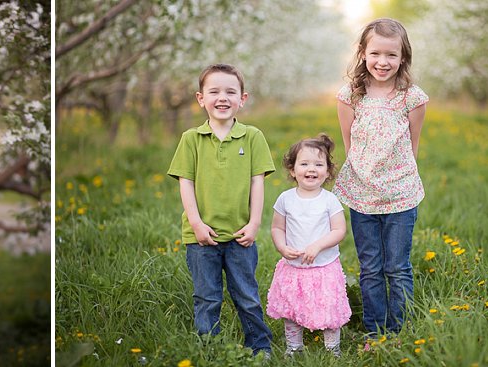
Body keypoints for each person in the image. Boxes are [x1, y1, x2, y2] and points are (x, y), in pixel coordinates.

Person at [167, 63, 275, 357]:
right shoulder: (191, 139)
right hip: (202, 237)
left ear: (243, 98)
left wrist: (254, 224)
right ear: (201, 98)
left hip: (241, 235)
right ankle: (211, 350)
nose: (222, 98)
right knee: (207, 297)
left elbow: (257, 183)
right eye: (214, 92)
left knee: (247, 296)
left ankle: (259, 347)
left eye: (231, 92)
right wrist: (196, 224)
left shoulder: (252, 136)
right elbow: (186, 183)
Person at [333, 18, 429, 342]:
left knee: (397, 267)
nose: (382, 62)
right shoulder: (350, 96)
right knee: (371, 267)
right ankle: (375, 331)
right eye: (375, 53)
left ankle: (399, 331)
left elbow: (413, 146)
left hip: (401, 196)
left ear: (403, 57)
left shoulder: (412, 98)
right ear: (363, 53)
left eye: (391, 54)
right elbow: (350, 145)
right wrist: (368, 178)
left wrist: (395, 179)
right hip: (362, 196)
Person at [266, 134, 351, 358]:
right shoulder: (285, 199)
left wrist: (317, 246)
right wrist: (282, 247)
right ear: (292, 170)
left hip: (324, 267)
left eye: (318, 164)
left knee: (328, 307)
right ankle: (294, 347)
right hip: (294, 267)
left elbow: (339, 230)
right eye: (304, 164)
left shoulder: (329, 200)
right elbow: (277, 228)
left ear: (328, 171)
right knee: (292, 308)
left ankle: (332, 349)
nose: (311, 169)